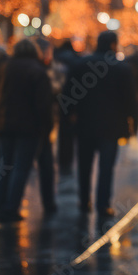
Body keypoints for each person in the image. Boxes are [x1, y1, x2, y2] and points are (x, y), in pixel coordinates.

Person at [62, 30, 136, 218]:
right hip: (111, 126)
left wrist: (69, 117)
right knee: (106, 168)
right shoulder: (121, 68)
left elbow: (68, 95)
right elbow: (129, 100)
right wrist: (132, 125)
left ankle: (84, 200)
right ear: (113, 44)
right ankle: (103, 205)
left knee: (84, 166)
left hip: (85, 124)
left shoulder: (80, 64)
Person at [0, 40, 54, 223]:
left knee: (4, 166)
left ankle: (1, 207)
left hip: (4, 125)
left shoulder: (2, 68)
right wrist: (46, 129)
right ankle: (10, 208)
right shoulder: (38, 71)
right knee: (21, 168)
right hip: (28, 128)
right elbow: (43, 105)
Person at [33, 38, 61, 215]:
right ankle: (48, 202)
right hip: (39, 127)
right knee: (45, 165)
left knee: (16, 167)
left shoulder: (10, 68)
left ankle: (8, 206)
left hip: (22, 127)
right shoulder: (42, 72)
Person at [54, 40, 81, 174]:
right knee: (68, 134)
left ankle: (61, 159)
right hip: (70, 99)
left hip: (54, 97)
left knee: (61, 133)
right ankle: (66, 161)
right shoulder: (75, 60)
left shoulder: (56, 58)